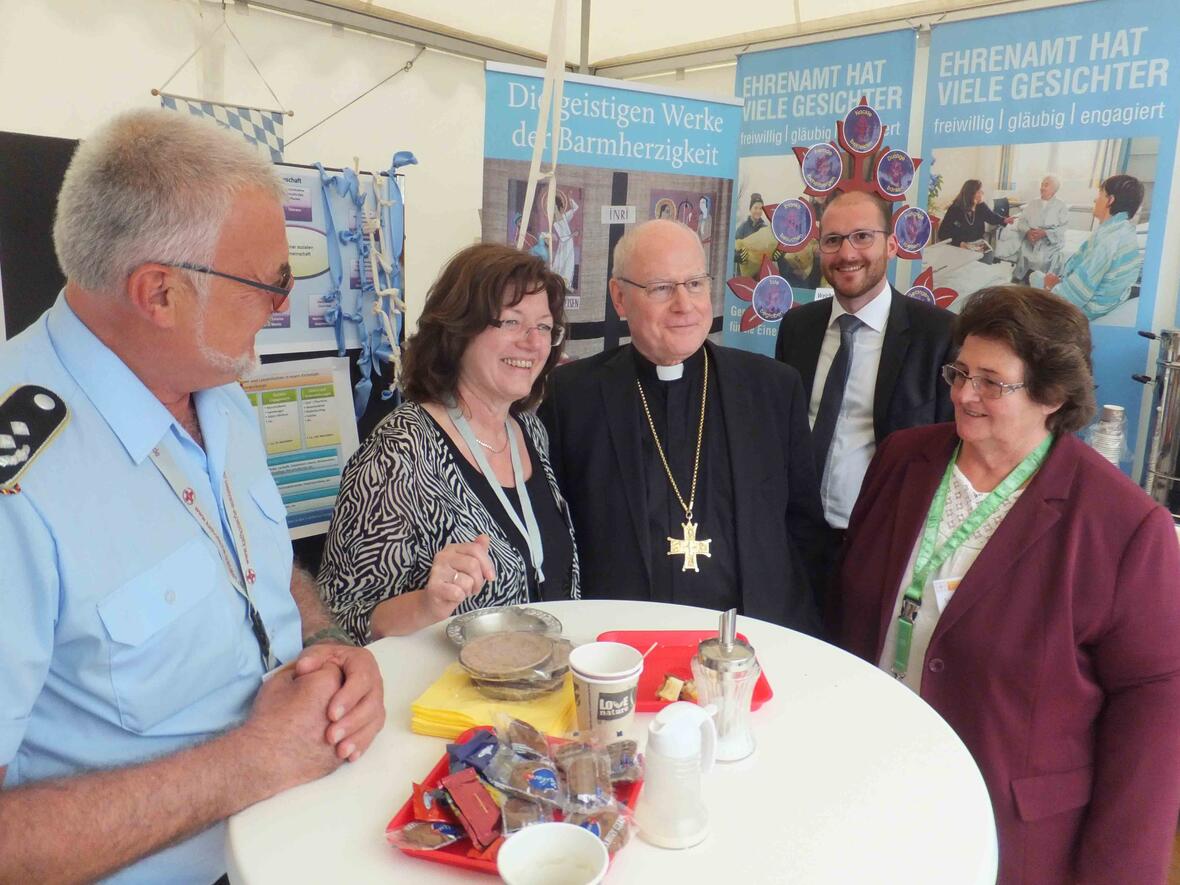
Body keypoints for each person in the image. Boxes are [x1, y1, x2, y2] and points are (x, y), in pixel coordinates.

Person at [0, 110, 384, 884]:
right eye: (269, 284)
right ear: (160, 292)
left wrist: (329, 646)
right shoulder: (22, 484)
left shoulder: (215, 386)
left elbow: (252, 567)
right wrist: (250, 763)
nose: (282, 306)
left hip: (304, 839)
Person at [837, 285, 1180, 884]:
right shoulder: (901, 460)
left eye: (992, 383)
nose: (963, 394)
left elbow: (1151, 718)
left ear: (1052, 395)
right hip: (871, 781)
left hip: (1005, 824)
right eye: (960, 372)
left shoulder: (1122, 525)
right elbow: (848, 606)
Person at [540, 220, 826, 633]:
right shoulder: (571, 396)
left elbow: (804, 530)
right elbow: (554, 535)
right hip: (618, 641)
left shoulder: (773, 389)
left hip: (751, 641)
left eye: (694, 284)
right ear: (619, 298)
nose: (684, 304)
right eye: (661, 288)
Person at [320, 243, 579, 642]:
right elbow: (338, 620)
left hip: (537, 673)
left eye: (544, 327)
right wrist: (428, 604)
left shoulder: (529, 430)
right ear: (460, 330)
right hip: (441, 681)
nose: (533, 342)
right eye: (512, 322)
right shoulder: (399, 451)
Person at [775, 191, 954, 564]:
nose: (847, 253)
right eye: (833, 240)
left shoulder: (939, 336)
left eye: (862, 236)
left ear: (891, 244)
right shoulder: (797, 327)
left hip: (884, 543)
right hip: (795, 537)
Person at [1037, 174, 1143, 321]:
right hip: (1107, 299)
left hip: (1090, 310)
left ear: (1110, 200)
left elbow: (1075, 296)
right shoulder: (1125, 230)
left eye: (1100, 194)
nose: (1095, 199)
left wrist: (1051, 287)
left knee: (1035, 281)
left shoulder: (1108, 240)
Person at [1010, 174, 1069, 283]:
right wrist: (1028, 232)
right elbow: (1022, 221)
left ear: (1054, 189)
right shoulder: (1033, 203)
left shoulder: (1061, 205)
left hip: (1049, 241)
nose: (1042, 188)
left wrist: (1045, 233)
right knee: (1024, 253)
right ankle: (1022, 279)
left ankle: (1042, 282)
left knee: (1044, 258)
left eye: (1046, 185)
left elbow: (1063, 228)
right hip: (1031, 239)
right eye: (1042, 184)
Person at [938, 178, 1013, 247]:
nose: (982, 193)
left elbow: (991, 217)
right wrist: (959, 243)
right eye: (979, 191)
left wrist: (1004, 220)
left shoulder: (980, 206)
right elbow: (942, 233)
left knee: (991, 255)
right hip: (960, 246)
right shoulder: (955, 209)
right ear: (971, 194)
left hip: (977, 244)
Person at [549, 190, 579, 288]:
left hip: (569, 245)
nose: (554, 210)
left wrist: (570, 199)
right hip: (564, 246)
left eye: (555, 207)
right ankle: (557, 283)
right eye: (552, 208)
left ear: (559, 207)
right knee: (561, 264)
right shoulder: (555, 223)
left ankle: (567, 284)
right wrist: (573, 235)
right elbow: (562, 238)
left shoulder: (565, 216)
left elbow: (576, 208)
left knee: (569, 265)